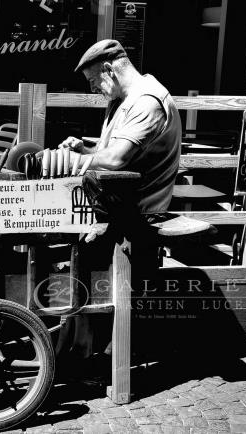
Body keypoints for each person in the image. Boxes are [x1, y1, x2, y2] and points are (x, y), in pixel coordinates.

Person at [54, 39, 182, 373]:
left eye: (94, 80)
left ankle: (82, 352)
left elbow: (117, 158)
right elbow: (114, 149)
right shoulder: (125, 99)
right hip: (116, 201)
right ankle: (72, 343)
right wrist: (86, 146)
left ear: (110, 69)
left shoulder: (147, 101)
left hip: (136, 210)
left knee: (77, 250)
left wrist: (72, 157)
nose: (94, 88)